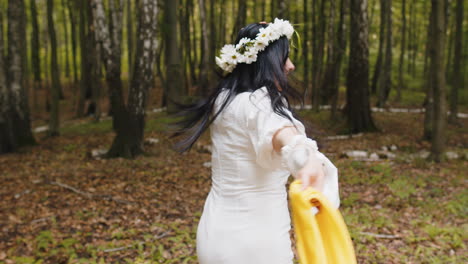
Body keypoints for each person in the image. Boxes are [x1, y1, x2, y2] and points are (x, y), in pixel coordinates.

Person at [173, 18, 339, 264]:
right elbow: (283, 135)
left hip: (214, 233)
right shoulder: (259, 103)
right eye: (284, 58)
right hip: (255, 241)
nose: (291, 66)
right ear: (266, 62)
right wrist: (306, 159)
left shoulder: (224, 99)